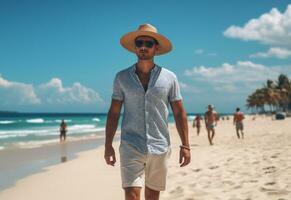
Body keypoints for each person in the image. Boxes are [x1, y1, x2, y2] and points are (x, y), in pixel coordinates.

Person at [104, 24, 191, 200]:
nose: (143, 46)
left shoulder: (169, 78)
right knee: (132, 195)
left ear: (156, 47)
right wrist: (108, 145)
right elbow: (114, 113)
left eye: (148, 43)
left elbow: (179, 111)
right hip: (131, 144)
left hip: (159, 145)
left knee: (152, 197)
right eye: (139, 42)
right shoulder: (121, 78)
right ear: (135, 47)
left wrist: (186, 145)